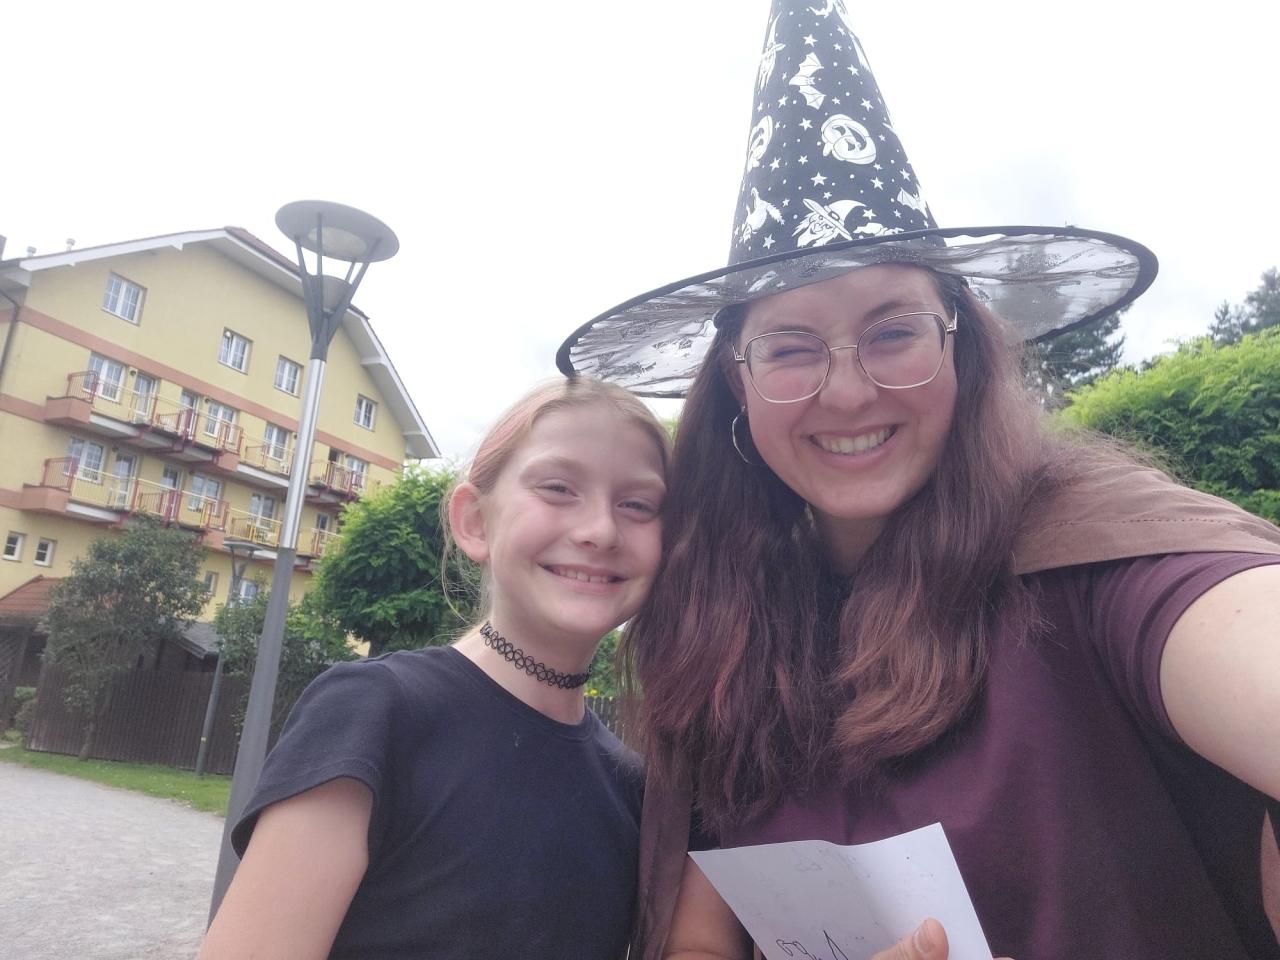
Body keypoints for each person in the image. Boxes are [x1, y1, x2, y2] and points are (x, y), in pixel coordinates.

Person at [555, 3, 1280, 959]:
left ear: (962, 346)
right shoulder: (729, 628)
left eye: (892, 330)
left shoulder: (1111, 568)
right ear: (736, 385)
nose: (848, 392)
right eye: (790, 347)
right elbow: (701, 937)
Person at [197, 377, 669, 960]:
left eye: (638, 505)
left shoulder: (632, 788)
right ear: (475, 522)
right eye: (557, 488)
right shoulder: (375, 714)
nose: (600, 530)